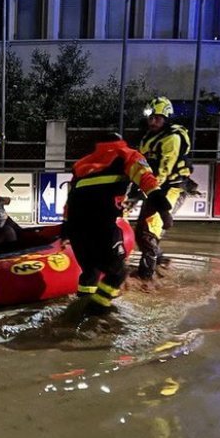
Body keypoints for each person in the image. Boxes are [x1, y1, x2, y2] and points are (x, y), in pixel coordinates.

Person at [62, 132, 172, 316]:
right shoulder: (127, 154)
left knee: (90, 271)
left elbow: (70, 199)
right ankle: (96, 309)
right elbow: (148, 182)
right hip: (102, 222)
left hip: (75, 224)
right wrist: (164, 210)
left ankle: (79, 306)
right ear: (120, 141)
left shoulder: (80, 163)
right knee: (118, 272)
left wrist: (64, 230)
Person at [133, 96, 192, 279]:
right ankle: (161, 262)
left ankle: (146, 279)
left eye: (157, 118)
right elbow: (139, 165)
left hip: (171, 189)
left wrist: (145, 191)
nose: (152, 121)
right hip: (155, 189)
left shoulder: (172, 138)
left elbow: (163, 171)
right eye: (150, 118)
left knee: (149, 232)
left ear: (166, 118)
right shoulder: (147, 138)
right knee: (140, 231)